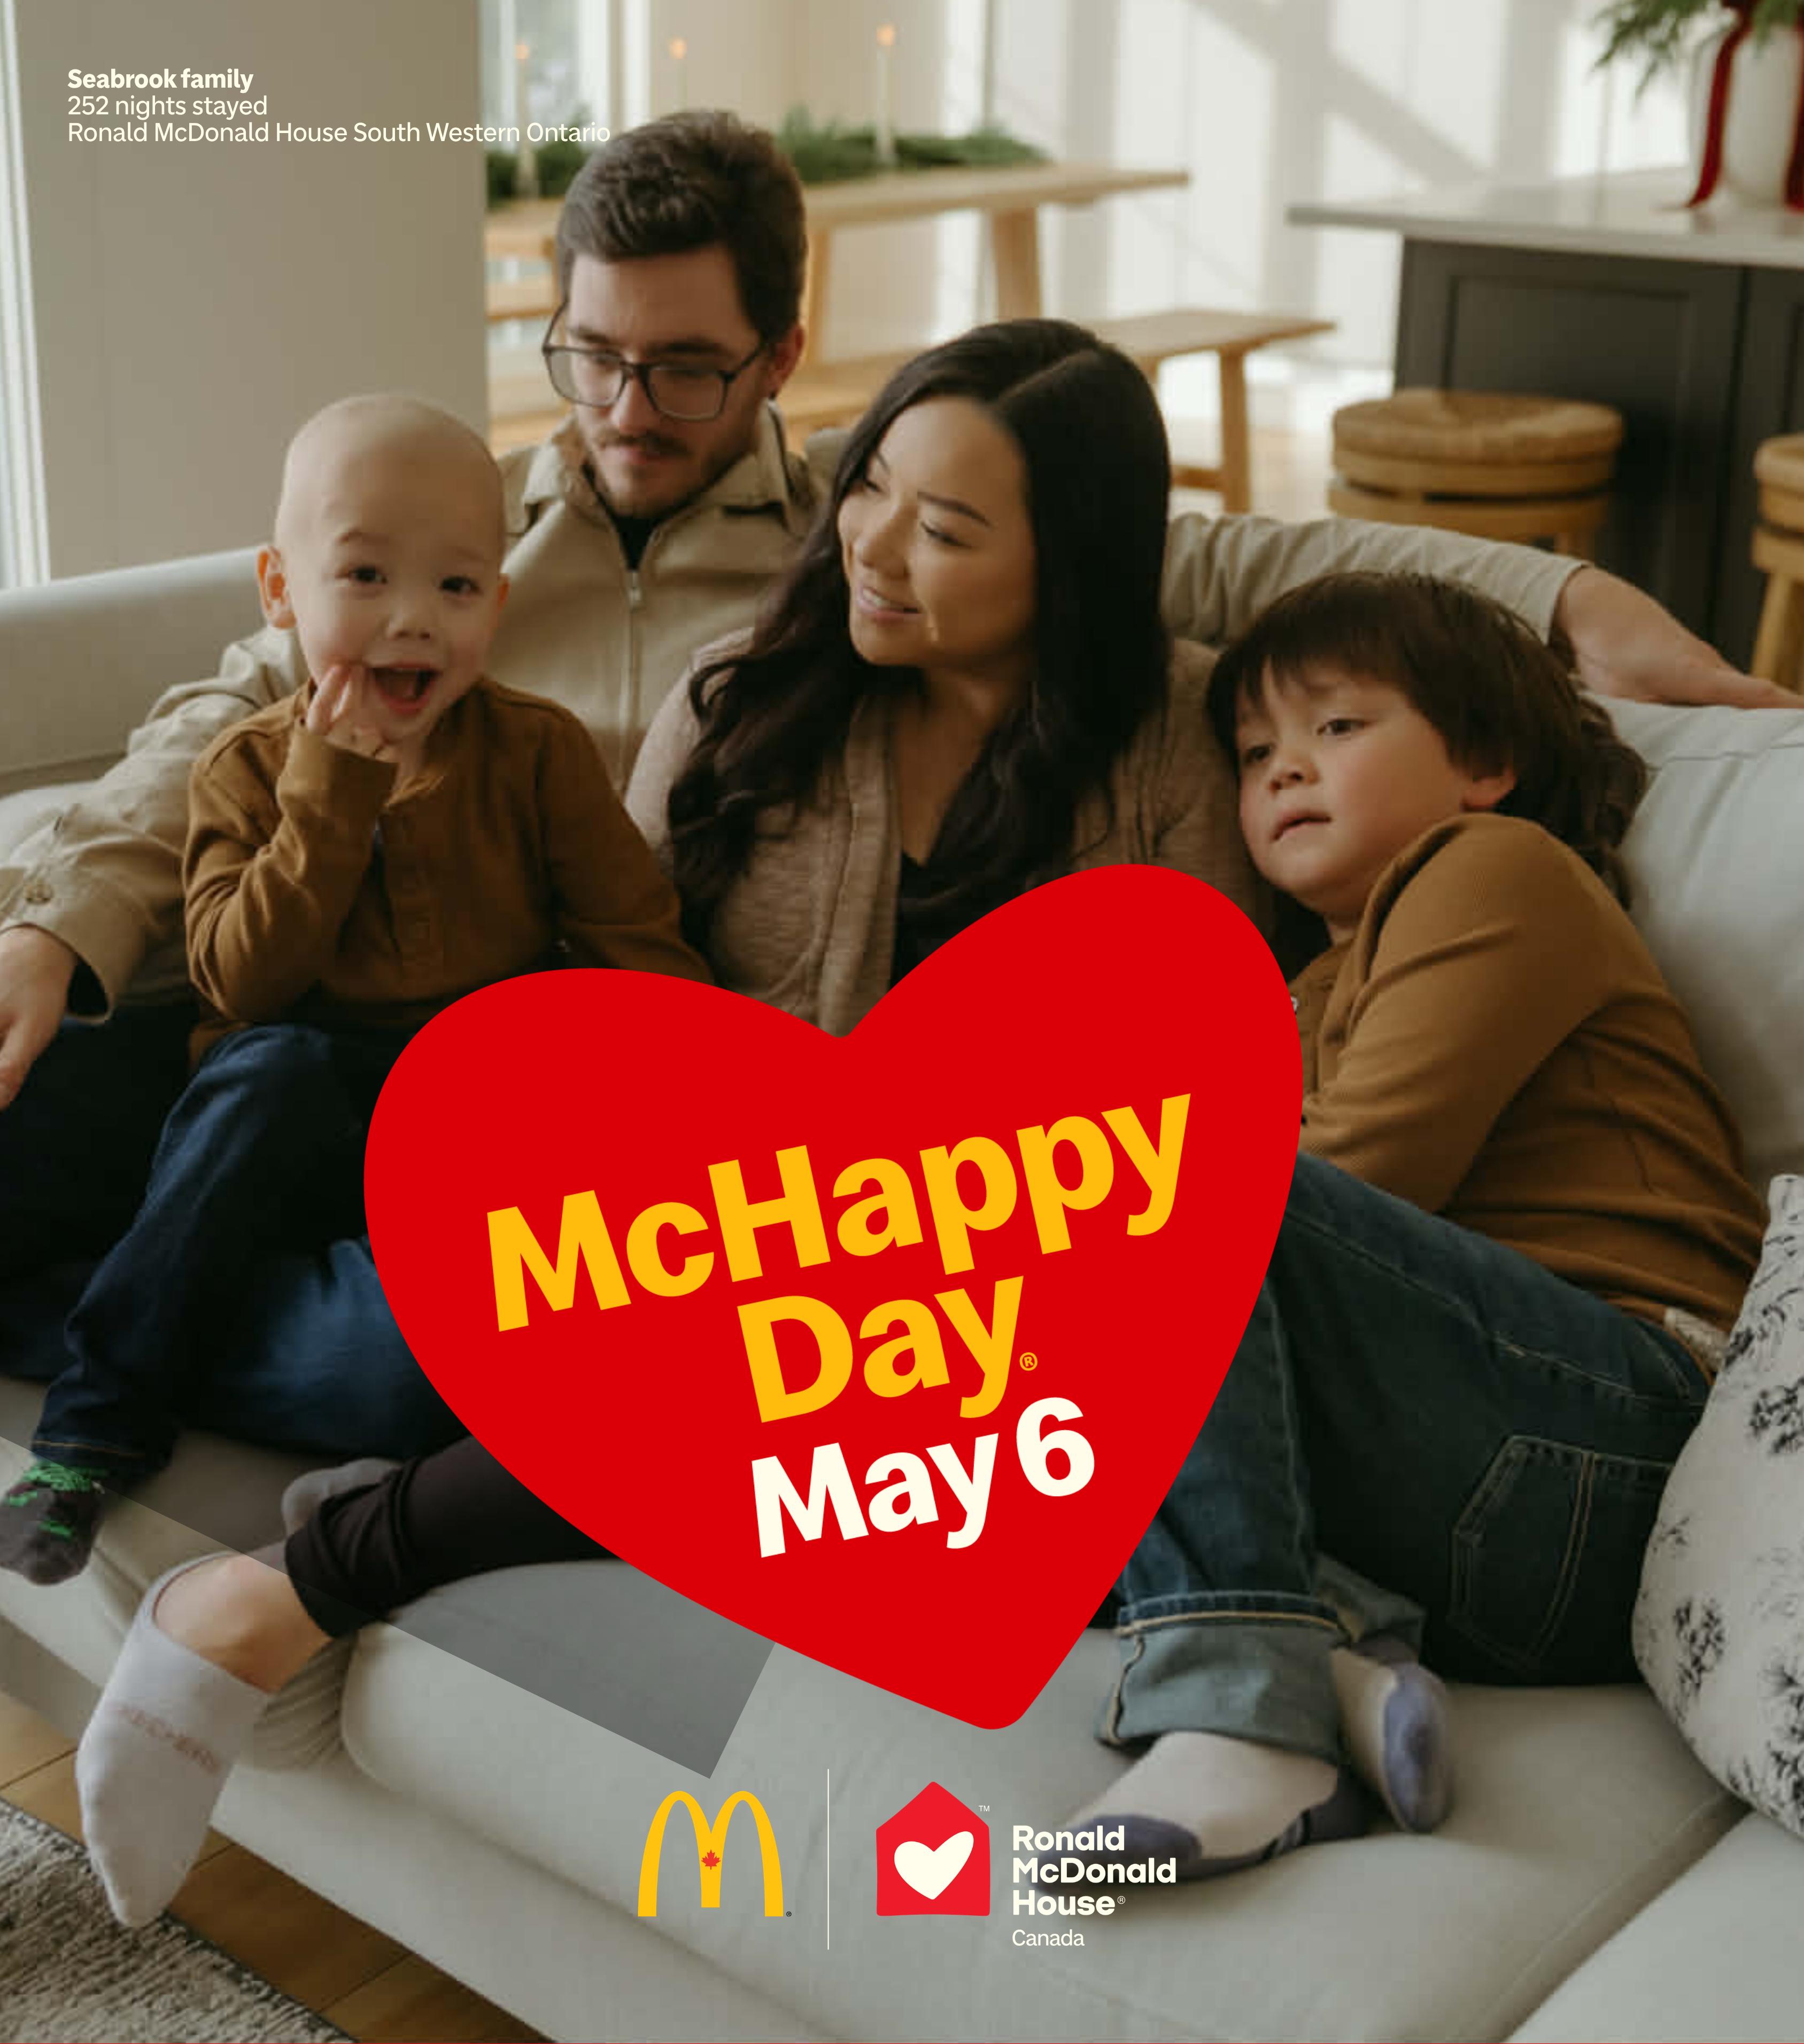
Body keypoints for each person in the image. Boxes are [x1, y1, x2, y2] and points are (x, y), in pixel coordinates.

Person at [0, 109, 1783, 1462]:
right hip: (357, 1042)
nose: (627, 403)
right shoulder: (453, 539)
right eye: (592, 351)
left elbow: (1239, 559)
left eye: (686, 364)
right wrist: (55, 931)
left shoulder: (873, 530)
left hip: (626, 1135)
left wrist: (1562, 589)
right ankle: (141, 1293)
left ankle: (136, 1327)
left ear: (779, 360)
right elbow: (218, 712)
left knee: (399, 1364)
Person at [65, 320, 1402, 1926]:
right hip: (715, 1222)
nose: (879, 547)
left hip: (974, 1277)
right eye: (872, 489)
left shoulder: (1185, 744)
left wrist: (1574, 597)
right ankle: (1305, 1644)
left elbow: (1180, 1089)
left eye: (951, 528)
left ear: (1080, 561)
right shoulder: (748, 698)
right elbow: (605, 992)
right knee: (420, 1327)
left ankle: (280, 1586)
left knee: (535, 1366)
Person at [1032, 569, 1767, 1884]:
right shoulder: (1293, 986)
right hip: (1480, 1525)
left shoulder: (1496, 867)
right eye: (1254, 751)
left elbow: (1371, 1170)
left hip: (1625, 1438)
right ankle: (1335, 1660)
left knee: (1153, 1185)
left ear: (1483, 761)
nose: (1281, 772)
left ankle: (1244, 1706)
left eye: (1337, 728)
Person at [0, 394, 707, 1586]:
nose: (410, 622)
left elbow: (642, 952)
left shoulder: (539, 754)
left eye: (455, 588)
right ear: (281, 591)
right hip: (271, 1129)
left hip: (451, 1150)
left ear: (499, 601)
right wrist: (327, 801)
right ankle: (94, 1428)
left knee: (419, 1367)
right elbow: (243, 979)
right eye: (367, 576)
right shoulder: (249, 765)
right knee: (266, 1064)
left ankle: (121, 1317)